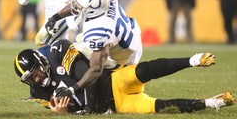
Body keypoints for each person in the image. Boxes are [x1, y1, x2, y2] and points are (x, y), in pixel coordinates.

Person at [13, 39, 236, 114]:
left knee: (145, 70)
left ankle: (193, 59)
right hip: (117, 105)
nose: (36, 79)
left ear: (40, 62)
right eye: (30, 79)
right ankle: (212, 102)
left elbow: (86, 76)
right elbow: (73, 109)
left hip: (113, 81)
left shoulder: (57, 52)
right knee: (160, 107)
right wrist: (63, 113)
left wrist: (89, 111)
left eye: (36, 73)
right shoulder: (37, 92)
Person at [43, 0, 143, 99]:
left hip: (124, 58)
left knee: (75, 50)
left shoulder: (99, 32)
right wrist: (55, 17)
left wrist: (73, 89)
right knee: (81, 41)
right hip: (133, 33)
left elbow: (96, 70)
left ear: (93, 11)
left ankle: (94, 96)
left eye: (80, 6)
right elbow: (78, 4)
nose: (77, 6)